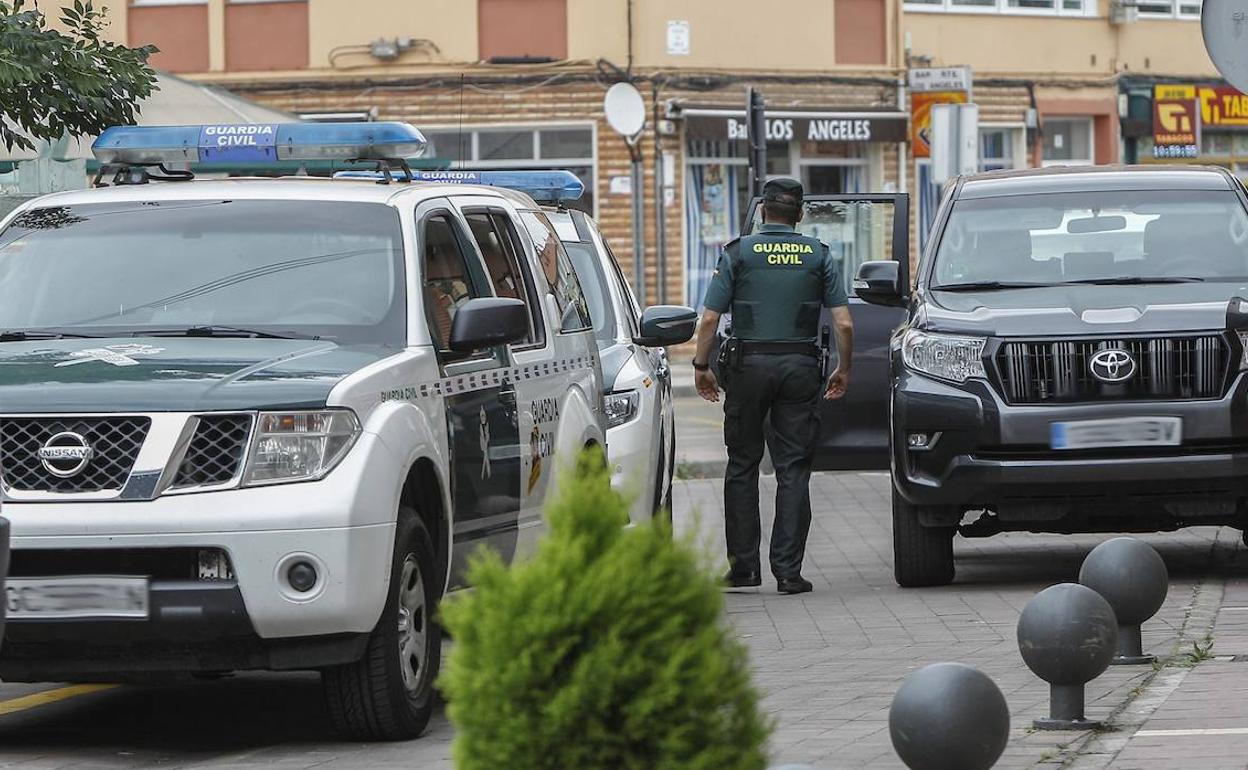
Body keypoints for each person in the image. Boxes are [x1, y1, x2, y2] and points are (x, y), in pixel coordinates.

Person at [691, 177, 853, 595]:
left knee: (742, 465)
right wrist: (844, 369)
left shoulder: (739, 252)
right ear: (799, 215)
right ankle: (788, 572)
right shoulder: (818, 255)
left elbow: (709, 319)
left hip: (747, 367)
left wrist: (701, 365)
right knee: (793, 468)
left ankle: (743, 569)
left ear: (763, 211)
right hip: (800, 367)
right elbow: (844, 322)